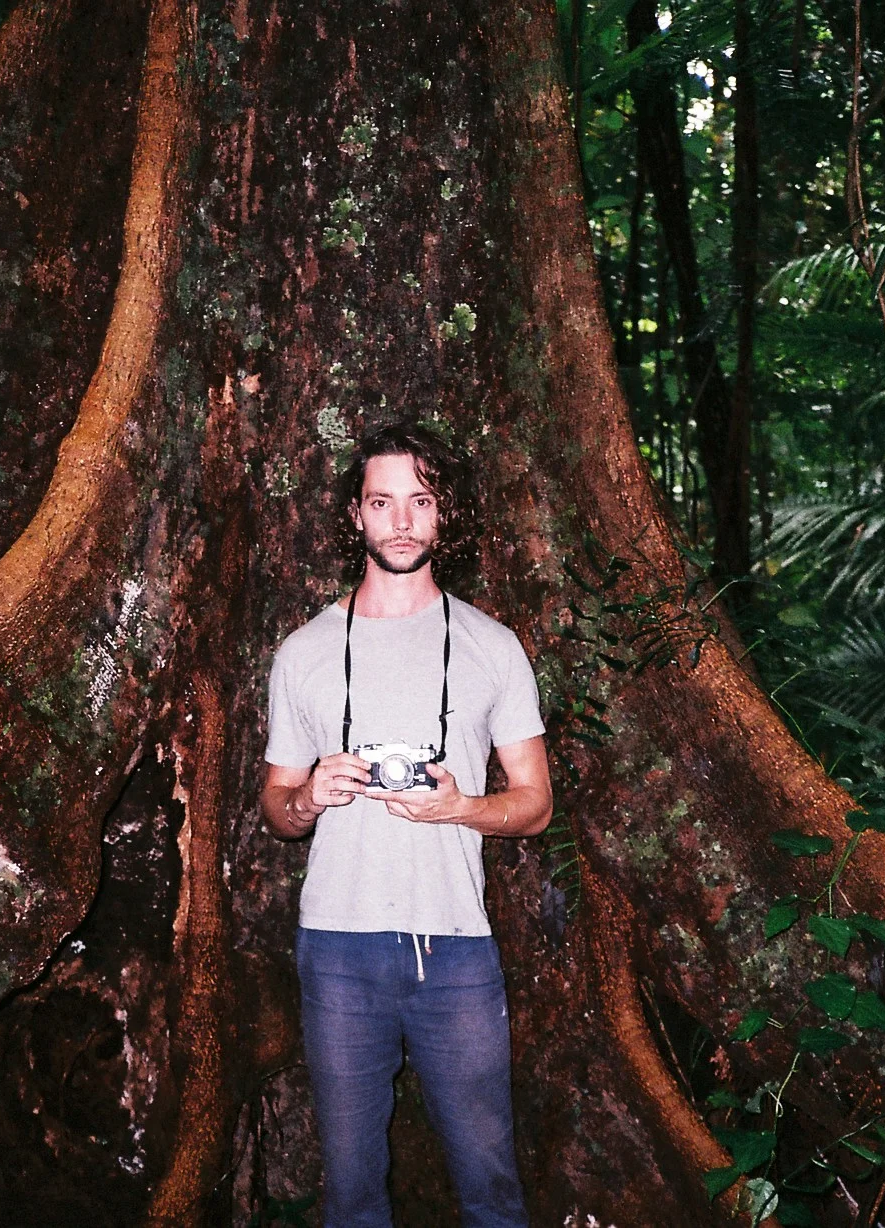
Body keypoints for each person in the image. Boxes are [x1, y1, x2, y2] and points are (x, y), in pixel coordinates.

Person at [260, 421, 553, 1228]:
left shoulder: (494, 647)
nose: (399, 522)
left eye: (418, 503)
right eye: (381, 502)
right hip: (338, 947)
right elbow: (278, 811)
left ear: (441, 515)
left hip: (455, 944)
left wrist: (462, 806)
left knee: (490, 1182)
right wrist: (312, 795)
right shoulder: (306, 654)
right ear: (354, 514)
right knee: (351, 1189)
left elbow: (535, 800)